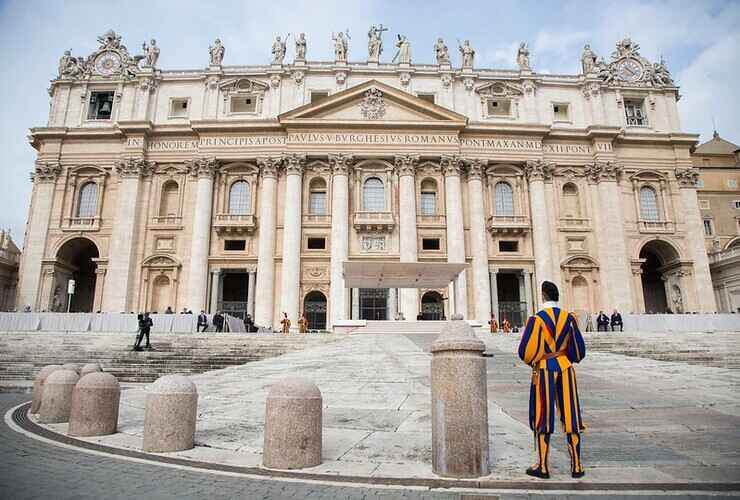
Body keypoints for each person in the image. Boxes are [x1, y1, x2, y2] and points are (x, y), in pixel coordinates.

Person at [518, 281, 586, 479]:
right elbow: (578, 350)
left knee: (543, 414)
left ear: (543, 296)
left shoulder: (537, 319)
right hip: (566, 368)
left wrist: (536, 360)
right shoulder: (569, 318)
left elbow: (526, 351)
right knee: (571, 414)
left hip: (545, 370)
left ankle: (542, 466)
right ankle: (577, 466)